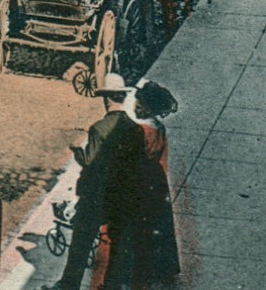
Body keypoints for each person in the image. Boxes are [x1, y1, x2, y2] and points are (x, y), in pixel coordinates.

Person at [53, 73, 146, 290]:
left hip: (97, 197)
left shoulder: (98, 128)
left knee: (81, 241)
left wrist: (78, 152)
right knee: (117, 243)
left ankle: (69, 284)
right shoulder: (135, 129)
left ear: (106, 99)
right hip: (122, 196)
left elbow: (90, 161)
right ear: (122, 98)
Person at [127, 81, 181, 288]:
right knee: (158, 228)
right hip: (156, 183)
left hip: (140, 184)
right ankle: (161, 268)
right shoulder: (159, 128)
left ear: (149, 108)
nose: (136, 107)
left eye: (140, 105)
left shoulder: (140, 132)